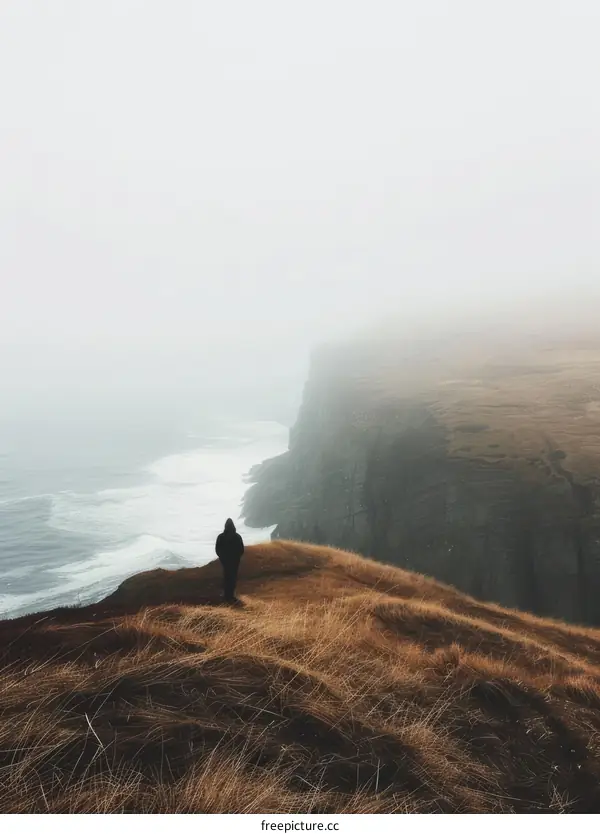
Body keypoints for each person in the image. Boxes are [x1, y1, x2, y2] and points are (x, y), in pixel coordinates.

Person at [215, 518, 245, 602]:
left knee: (226, 577)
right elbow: (241, 549)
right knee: (233, 577)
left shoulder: (221, 537)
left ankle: (226, 595)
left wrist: (222, 558)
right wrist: (237, 558)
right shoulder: (237, 536)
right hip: (235, 562)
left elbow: (217, 549)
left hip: (225, 561)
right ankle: (231, 595)